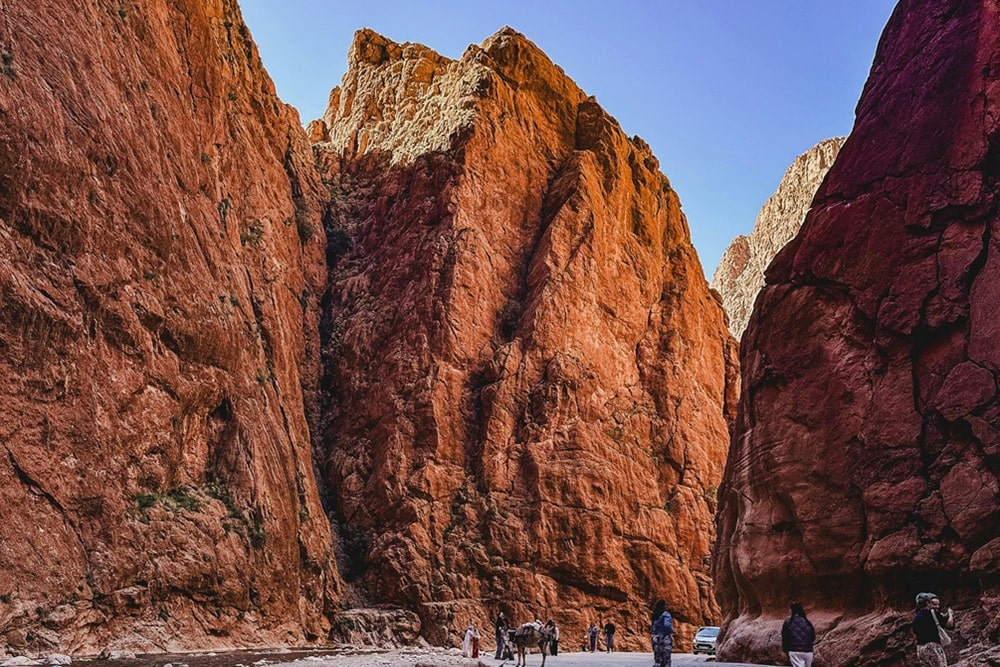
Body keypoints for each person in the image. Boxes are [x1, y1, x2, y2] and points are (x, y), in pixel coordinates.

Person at [913, 592, 954, 667]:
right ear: (927, 602)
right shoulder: (932, 613)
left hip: (920, 649)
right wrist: (950, 614)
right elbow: (949, 625)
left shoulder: (916, 618)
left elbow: (915, 632)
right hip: (932, 647)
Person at [781, 602, 816, 667]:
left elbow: (785, 638)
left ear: (792, 610)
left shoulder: (788, 622)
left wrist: (785, 650)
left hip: (795, 650)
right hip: (808, 651)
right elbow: (813, 637)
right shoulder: (808, 622)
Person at [650, 599, 674, 667]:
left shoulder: (655, 615)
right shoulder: (666, 614)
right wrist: (671, 632)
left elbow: (652, 627)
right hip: (664, 639)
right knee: (666, 659)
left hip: (655, 638)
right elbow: (667, 625)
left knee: (657, 659)